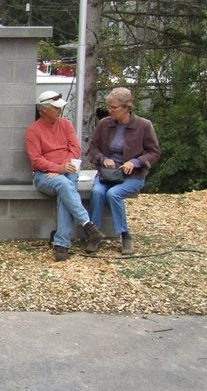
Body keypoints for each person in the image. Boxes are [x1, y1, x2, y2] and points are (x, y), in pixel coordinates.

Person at [26, 90, 105, 261]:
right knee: (65, 185)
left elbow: (75, 149)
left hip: (66, 172)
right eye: (55, 108)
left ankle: (61, 244)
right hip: (44, 176)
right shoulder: (34, 131)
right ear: (44, 109)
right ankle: (87, 224)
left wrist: (62, 168)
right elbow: (36, 160)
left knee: (65, 191)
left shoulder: (66, 124)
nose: (59, 111)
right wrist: (57, 168)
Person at [86, 87, 160, 255]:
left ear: (127, 107)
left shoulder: (144, 125)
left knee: (114, 194)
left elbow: (154, 152)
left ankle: (125, 236)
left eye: (114, 107)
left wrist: (136, 162)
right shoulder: (105, 124)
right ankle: (94, 234)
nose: (110, 110)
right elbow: (93, 149)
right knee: (97, 192)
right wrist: (103, 159)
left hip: (132, 175)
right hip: (107, 174)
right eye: (109, 107)